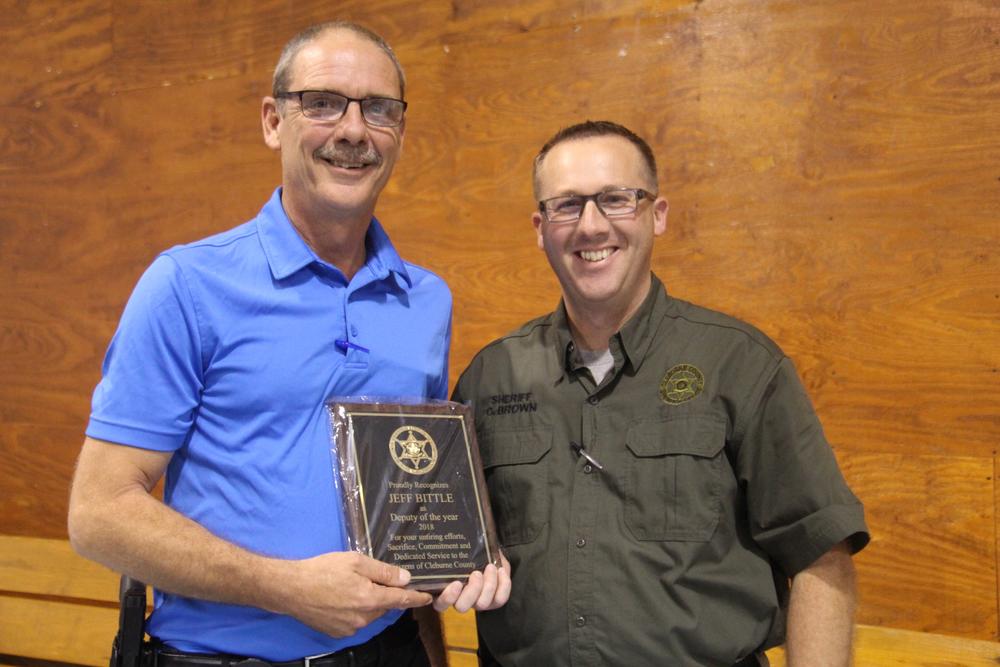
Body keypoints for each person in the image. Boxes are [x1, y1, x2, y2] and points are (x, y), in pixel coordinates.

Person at [68, 21, 508, 666]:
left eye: (379, 109)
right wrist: (287, 588)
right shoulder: (188, 284)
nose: (354, 131)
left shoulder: (426, 301)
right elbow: (99, 514)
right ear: (274, 121)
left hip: (391, 650)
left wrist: (457, 568)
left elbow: (415, 500)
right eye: (323, 103)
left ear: (400, 132)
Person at [452, 120, 869, 666]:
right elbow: (450, 547)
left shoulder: (740, 365)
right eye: (566, 205)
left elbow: (820, 555)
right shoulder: (489, 378)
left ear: (658, 214)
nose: (591, 225)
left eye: (616, 199)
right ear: (539, 227)